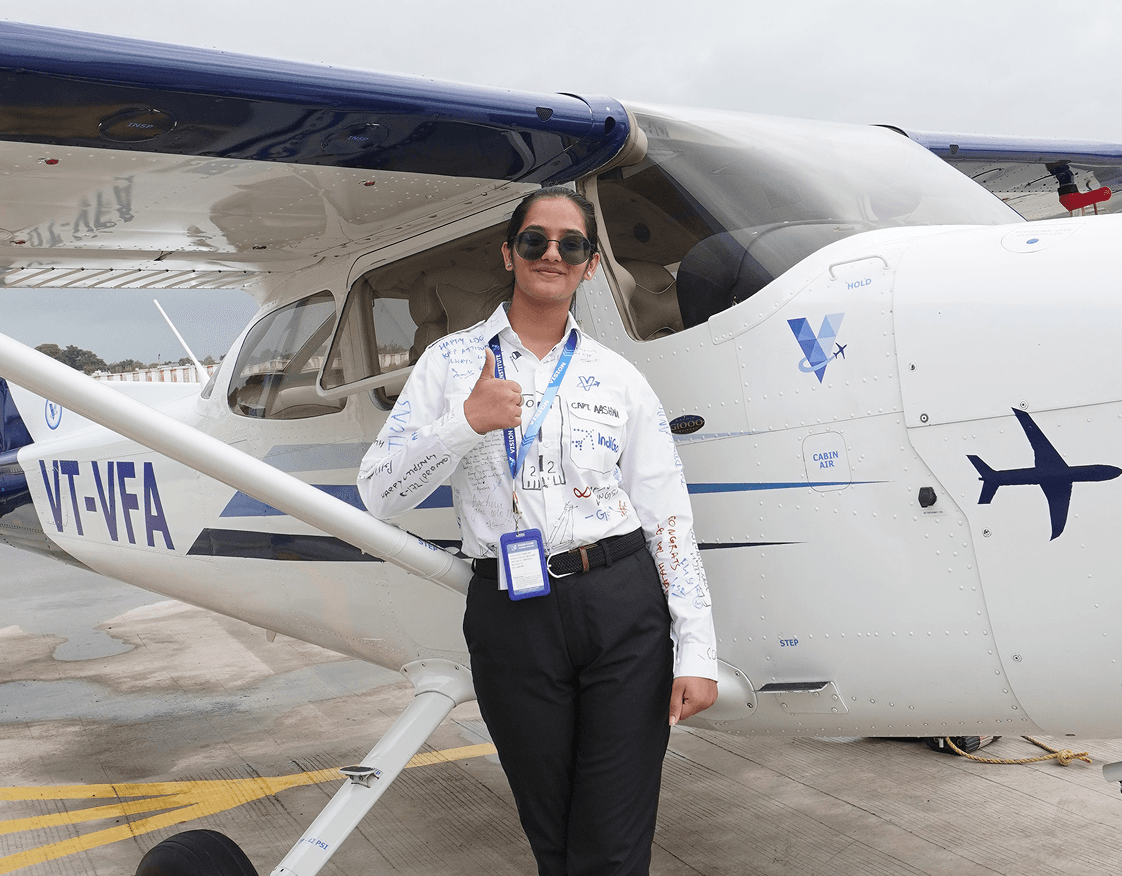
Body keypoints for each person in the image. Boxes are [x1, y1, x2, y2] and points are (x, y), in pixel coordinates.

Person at [357, 187, 718, 875]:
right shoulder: (451, 365)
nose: (552, 254)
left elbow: (667, 514)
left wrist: (696, 646)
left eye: (571, 245)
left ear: (587, 266)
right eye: (535, 241)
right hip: (511, 612)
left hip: (619, 604)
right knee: (553, 837)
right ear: (509, 253)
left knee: (611, 841)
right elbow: (378, 494)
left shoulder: (619, 379)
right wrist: (465, 422)